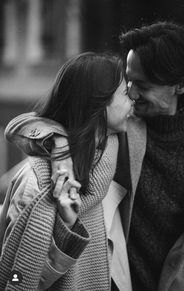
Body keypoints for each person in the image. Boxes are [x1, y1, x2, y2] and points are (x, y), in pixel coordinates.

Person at [3, 21, 184, 291]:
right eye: (128, 85)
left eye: (142, 85)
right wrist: (60, 151)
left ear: (180, 86)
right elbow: (37, 122)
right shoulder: (115, 129)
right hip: (111, 278)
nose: (133, 94)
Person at [0, 52, 134, 290]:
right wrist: (68, 225)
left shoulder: (108, 160)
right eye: (125, 94)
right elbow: (15, 276)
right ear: (100, 102)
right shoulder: (37, 181)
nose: (133, 101)